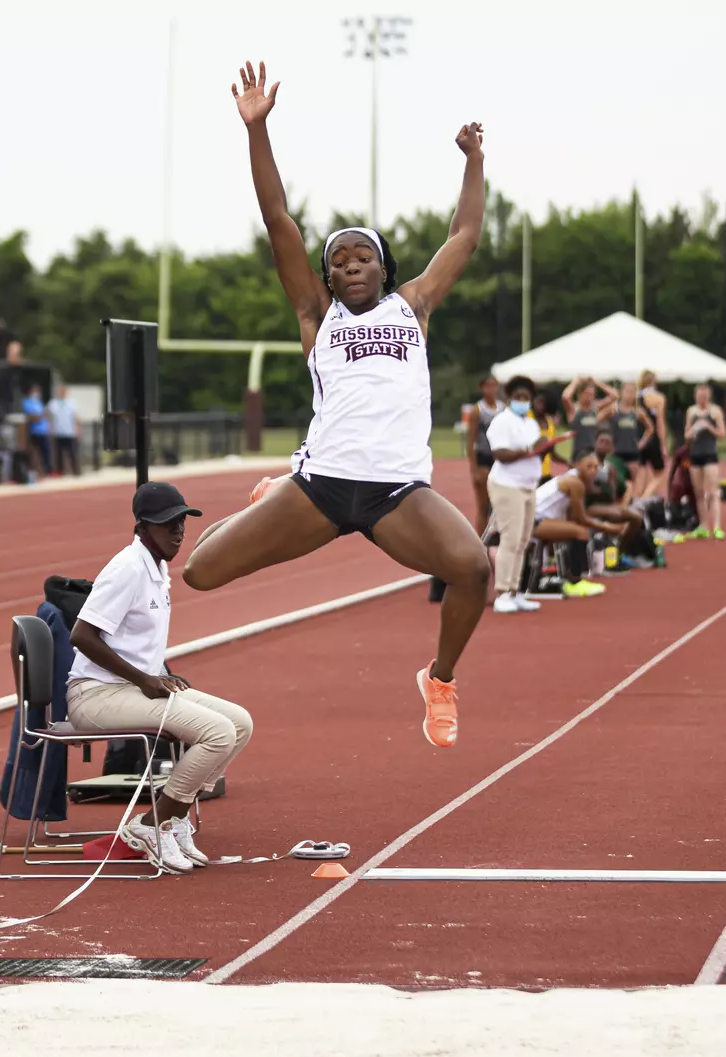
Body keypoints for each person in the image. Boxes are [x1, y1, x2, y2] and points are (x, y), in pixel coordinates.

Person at [182, 60, 489, 748]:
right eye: (337, 262)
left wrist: (472, 163)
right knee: (200, 573)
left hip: (395, 494)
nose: (347, 267)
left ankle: (439, 679)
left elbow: (463, 236)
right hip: (321, 488)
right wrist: (257, 132)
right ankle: (273, 492)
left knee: (472, 568)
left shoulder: (413, 306)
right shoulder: (316, 315)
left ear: (383, 266)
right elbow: (276, 218)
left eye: (361, 258)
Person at [67, 482, 253, 874]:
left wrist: (159, 674)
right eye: (168, 523)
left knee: (239, 723)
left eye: (182, 521)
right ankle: (152, 825)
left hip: (131, 687)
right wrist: (143, 679)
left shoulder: (157, 566)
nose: (179, 531)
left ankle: (176, 817)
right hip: (95, 696)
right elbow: (81, 635)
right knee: (216, 733)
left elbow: (135, 642)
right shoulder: (128, 568)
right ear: (142, 528)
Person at [484, 376, 554, 613]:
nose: (523, 401)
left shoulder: (531, 424)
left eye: (527, 398)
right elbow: (500, 454)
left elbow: (537, 455)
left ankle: (516, 590)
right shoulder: (502, 421)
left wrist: (545, 449)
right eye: (518, 398)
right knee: (510, 539)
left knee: (523, 542)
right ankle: (502, 592)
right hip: (507, 485)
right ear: (509, 399)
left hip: (528, 485)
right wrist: (529, 449)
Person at [530, 451, 614, 597]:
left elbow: (572, 517)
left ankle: (561, 573)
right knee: (581, 532)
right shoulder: (575, 483)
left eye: (596, 468)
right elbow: (581, 519)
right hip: (531, 522)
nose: (593, 471)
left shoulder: (574, 480)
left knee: (572, 531)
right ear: (577, 465)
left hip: (539, 520)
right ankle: (575, 582)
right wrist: (609, 527)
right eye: (589, 466)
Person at [685, 383, 726, 540]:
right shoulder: (691, 412)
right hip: (696, 455)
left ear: (708, 397)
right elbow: (686, 435)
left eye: (704, 396)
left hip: (710, 455)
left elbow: (722, 434)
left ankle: (716, 526)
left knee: (712, 492)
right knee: (699, 493)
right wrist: (695, 429)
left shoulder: (715, 411)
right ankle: (703, 525)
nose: (701, 399)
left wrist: (708, 427)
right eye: (699, 396)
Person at [463, 375, 503, 533]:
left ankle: (495, 539)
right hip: (484, 459)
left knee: (499, 504)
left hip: (500, 459)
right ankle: (480, 543)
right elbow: (471, 441)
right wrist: (474, 469)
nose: (491, 389)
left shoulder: (503, 408)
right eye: (488, 386)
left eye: (494, 385)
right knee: (483, 505)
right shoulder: (477, 410)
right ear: (482, 388)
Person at [607, 382, 652, 495]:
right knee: (616, 483)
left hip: (632, 453)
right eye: (627, 391)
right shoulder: (613, 409)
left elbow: (650, 428)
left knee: (631, 485)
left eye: (633, 392)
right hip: (616, 453)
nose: (630, 395)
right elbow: (597, 420)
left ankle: (629, 506)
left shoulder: (637, 411)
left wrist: (642, 442)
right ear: (622, 392)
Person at [563, 376, 616, 461]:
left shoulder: (594, 409)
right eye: (587, 393)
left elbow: (614, 395)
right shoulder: (574, 410)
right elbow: (565, 397)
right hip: (578, 455)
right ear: (580, 394)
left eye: (592, 394)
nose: (590, 397)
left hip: (592, 454)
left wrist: (597, 382)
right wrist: (575, 382)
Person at [635, 370, 667, 498]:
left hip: (638, 438)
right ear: (653, 381)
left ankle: (637, 501)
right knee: (659, 473)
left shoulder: (635, 398)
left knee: (640, 476)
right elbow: (660, 423)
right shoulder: (659, 398)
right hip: (653, 439)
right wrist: (663, 444)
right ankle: (645, 497)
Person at [47, 384, 80, 476]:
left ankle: (76, 471)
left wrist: (77, 430)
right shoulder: (53, 403)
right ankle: (61, 471)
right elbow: (50, 417)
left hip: (70, 431)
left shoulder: (71, 403)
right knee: (58, 454)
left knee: (72, 452)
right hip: (58, 431)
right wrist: (51, 429)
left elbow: (76, 417)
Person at [21, 382, 50, 480]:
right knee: (33, 453)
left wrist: (41, 416)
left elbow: (45, 415)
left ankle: (45, 471)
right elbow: (32, 417)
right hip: (34, 432)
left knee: (45, 453)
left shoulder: (39, 402)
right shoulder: (27, 402)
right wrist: (40, 416)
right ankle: (32, 472)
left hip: (43, 431)